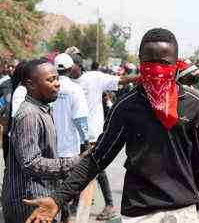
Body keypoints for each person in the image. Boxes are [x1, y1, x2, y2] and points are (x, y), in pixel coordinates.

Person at [24, 28, 199, 223]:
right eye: (150, 63)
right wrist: (58, 199)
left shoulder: (193, 104)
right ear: (140, 62)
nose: (157, 69)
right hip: (140, 212)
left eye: (164, 63)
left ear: (176, 64)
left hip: (183, 211)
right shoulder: (126, 106)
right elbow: (98, 158)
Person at [1, 59, 81, 223]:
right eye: (50, 80)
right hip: (29, 205)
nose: (57, 84)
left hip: (42, 199)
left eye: (57, 78)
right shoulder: (30, 115)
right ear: (31, 85)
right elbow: (31, 162)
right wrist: (74, 162)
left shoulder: (42, 109)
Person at [67, 50, 140, 220]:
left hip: (92, 133)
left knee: (97, 168)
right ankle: (76, 201)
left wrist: (143, 76)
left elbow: (121, 80)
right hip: (73, 136)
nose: (68, 71)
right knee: (77, 168)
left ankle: (109, 205)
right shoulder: (65, 82)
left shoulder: (94, 78)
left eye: (71, 67)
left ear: (78, 66)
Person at [53, 53, 90, 222]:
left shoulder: (47, 86)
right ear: (70, 69)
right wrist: (87, 143)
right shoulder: (75, 89)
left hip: (49, 148)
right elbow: (80, 119)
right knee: (66, 188)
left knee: (52, 187)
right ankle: (66, 217)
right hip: (68, 149)